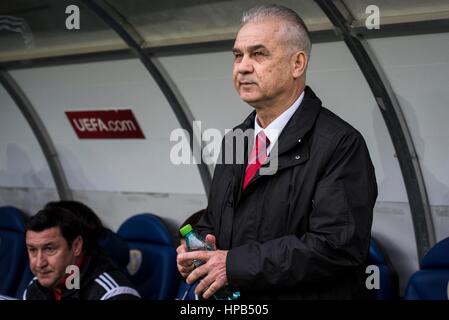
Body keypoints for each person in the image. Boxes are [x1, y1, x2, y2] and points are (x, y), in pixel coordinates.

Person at [176, 4, 377, 300]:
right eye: (237, 55)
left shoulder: (340, 144)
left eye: (258, 54)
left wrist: (232, 265)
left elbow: (337, 246)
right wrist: (197, 248)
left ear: (297, 64)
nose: (243, 66)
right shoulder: (235, 139)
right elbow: (217, 218)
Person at [23, 207, 140, 300]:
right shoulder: (35, 287)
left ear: (76, 246)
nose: (39, 263)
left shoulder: (112, 294)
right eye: (32, 250)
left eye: (49, 249)